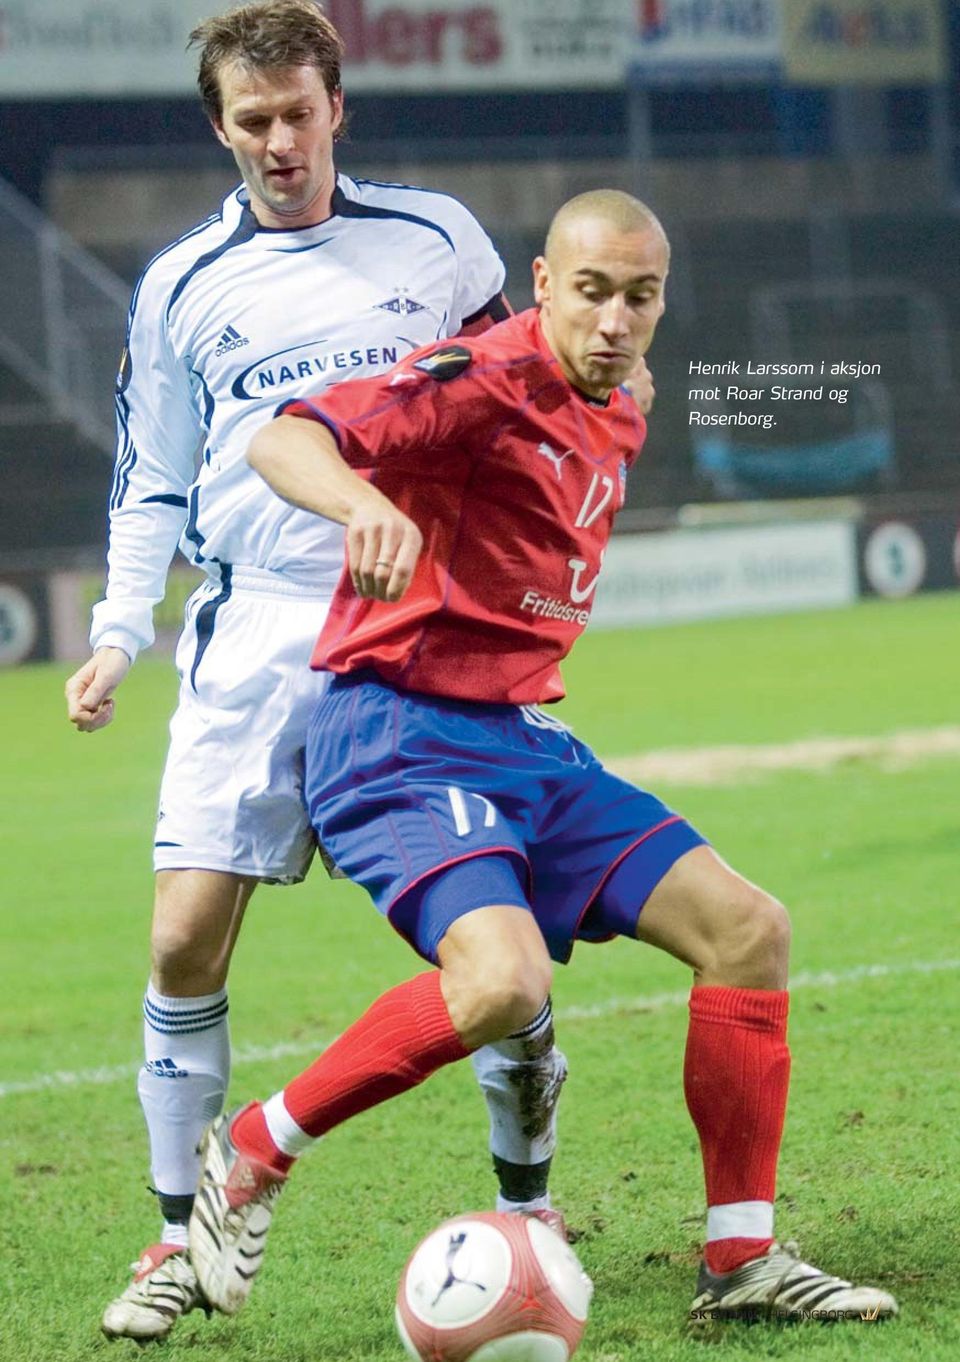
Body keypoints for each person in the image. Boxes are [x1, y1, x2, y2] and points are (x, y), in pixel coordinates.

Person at [186, 189, 898, 1325]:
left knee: (749, 930)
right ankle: (258, 1151)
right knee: (505, 981)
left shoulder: (617, 397)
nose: (614, 320)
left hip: (518, 735)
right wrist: (362, 502)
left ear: (662, 302)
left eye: (640, 296)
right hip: (401, 732)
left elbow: (602, 404)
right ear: (544, 283)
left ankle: (742, 1261)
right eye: (592, 292)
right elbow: (287, 435)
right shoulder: (475, 378)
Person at [64, 1, 627, 1340]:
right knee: (181, 938)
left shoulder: (436, 241)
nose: (278, 141)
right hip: (256, 631)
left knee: (490, 939)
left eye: (298, 113)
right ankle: (176, 1239)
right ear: (221, 126)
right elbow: (150, 480)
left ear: (337, 112)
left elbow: (525, 384)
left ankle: (528, 1212)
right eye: (251, 120)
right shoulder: (182, 288)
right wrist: (115, 628)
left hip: (423, 637)